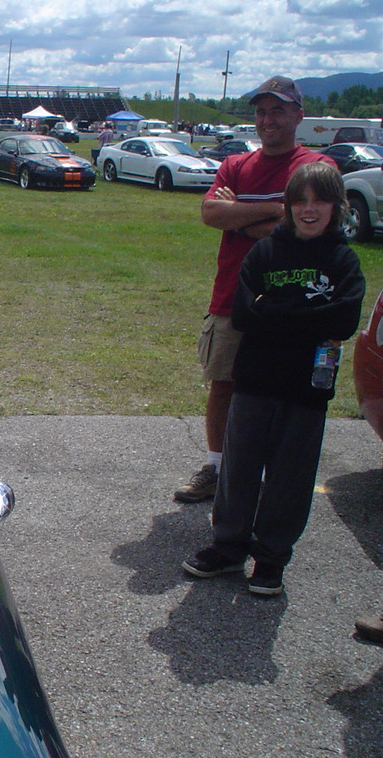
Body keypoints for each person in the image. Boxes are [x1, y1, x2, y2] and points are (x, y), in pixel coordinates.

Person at [181, 162, 365, 596]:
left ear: (336, 207)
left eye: (319, 200)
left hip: (307, 391)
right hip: (254, 383)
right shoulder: (264, 254)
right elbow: (246, 314)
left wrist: (276, 310)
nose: (308, 209)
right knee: (239, 469)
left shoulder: (342, 260)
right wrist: (305, 318)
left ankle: (270, 559)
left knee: (290, 478)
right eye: (299, 200)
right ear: (286, 206)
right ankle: (227, 549)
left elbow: (343, 319)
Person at [174, 76, 337, 503]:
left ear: (298, 115)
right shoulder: (236, 165)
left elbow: (312, 224)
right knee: (223, 383)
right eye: (262, 111)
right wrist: (280, 208)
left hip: (293, 301)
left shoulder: (315, 167)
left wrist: (240, 213)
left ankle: (268, 477)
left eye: (278, 110)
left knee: (282, 388)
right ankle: (215, 465)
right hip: (233, 295)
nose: (268, 119)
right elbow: (211, 213)